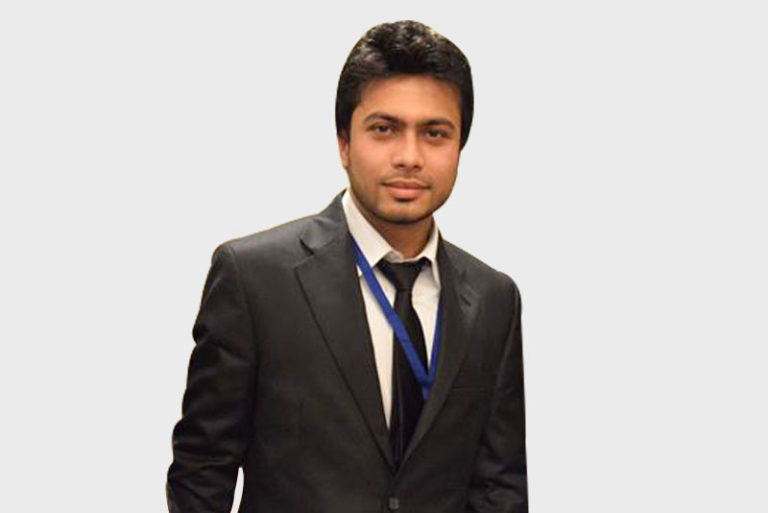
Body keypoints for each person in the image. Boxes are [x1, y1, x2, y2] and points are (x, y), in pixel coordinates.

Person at [167, 20, 528, 513]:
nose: (409, 156)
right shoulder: (255, 280)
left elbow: (499, 486)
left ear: (460, 145)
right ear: (344, 142)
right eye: (384, 129)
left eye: (434, 133)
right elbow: (202, 472)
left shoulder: (493, 299)